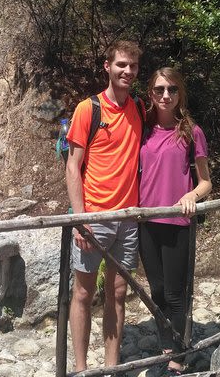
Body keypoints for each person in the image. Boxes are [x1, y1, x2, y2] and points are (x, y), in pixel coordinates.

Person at [65, 40, 144, 371]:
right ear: (107, 67)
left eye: (133, 67)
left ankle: (112, 367)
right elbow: (72, 166)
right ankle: (82, 369)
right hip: (94, 216)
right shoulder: (89, 109)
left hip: (128, 218)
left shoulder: (139, 108)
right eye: (121, 65)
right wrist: (80, 218)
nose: (127, 71)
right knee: (83, 294)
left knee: (118, 293)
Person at [138, 67, 212, 375]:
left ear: (180, 93)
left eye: (171, 89)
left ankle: (179, 355)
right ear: (151, 95)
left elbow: (206, 182)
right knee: (155, 290)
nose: (165, 95)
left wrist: (192, 195)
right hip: (145, 220)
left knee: (174, 293)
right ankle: (166, 341)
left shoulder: (191, 131)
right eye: (159, 90)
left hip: (177, 223)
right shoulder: (142, 129)